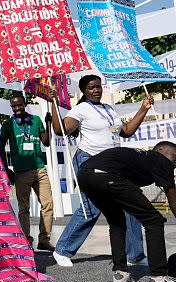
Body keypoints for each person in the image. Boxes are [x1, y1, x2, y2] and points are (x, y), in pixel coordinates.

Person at [49, 74, 152, 268]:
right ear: (84, 91)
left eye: (98, 86)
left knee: (130, 203)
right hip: (89, 160)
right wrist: (54, 103)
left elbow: (127, 131)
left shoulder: (109, 109)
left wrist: (143, 108)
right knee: (91, 207)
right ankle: (62, 250)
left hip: (113, 163)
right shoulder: (81, 109)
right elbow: (60, 129)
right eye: (91, 87)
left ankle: (135, 255)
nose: (96, 90)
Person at [77, 142, 176, 282]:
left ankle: (120, 274)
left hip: (84, 175)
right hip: (107, 174)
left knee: (116, 221)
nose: (175, 163)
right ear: (161, 150)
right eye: (175, 156)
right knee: (154, 220)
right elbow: (173, 200)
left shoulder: (140, 158)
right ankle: (159, 278)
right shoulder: (160, 159)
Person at [0, 93, 55, 251]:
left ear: (25, 104)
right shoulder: (8, 124)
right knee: (24, 208)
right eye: (14, 106)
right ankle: (26, 240)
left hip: (39, 169)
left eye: (20, 105)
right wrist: (6, 168)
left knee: (48, 203)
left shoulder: (36, 120)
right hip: (21, 172)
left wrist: (48, 123)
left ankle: (44, 239)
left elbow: (46, 142)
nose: (17, 108)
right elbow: (1, 147)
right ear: (11, 107)